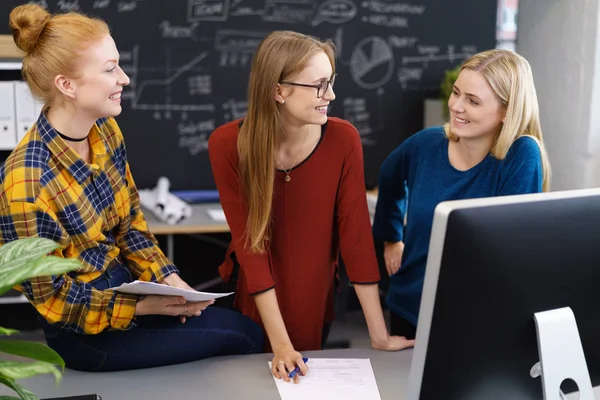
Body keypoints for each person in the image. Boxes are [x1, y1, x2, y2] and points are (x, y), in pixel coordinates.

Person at [0, 4, 263, 372]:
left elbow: (131, 223)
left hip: (131, 287)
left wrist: (167, 280)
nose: (124, 78)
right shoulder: (26, 183)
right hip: (86, 332)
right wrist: (143, 306)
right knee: (245, 336)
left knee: (245, 328)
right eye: (110, 69)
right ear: (66, 85)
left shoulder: (104, 131)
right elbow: (55, 301)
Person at [208, 30, 414, 384]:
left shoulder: (343, 139)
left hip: (316, 295)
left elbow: (356, 241)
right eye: (319, 85)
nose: (331, 95)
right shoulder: (228, 144)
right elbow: (250, 250)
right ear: (279, 90)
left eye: (331, 82)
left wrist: (378, 334)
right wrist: (281, 345)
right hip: (256, 297)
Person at [373, 49, 552, 340]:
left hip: (473, 319)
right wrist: (392, 237)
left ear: (506, 111)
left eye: (473, 101)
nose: (456, 105)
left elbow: (508, 249)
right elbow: (389, 177)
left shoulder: (521, 154)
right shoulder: (426, 144)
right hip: (409, 309)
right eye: (457, 93)